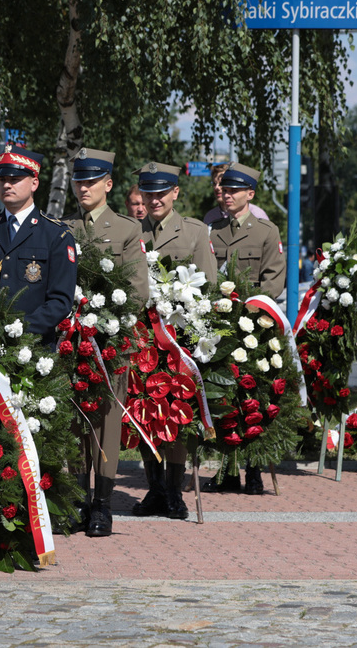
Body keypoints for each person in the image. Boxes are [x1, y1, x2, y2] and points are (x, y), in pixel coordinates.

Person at [61, 148, 148, 537]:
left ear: (108, 185)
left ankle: (102, 505)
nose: (83, 187)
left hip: (110, 344)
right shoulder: (63, 227)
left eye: (91, 181)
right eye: (79, 180)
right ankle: (79, 498)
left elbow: (137, 290)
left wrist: (104, 320)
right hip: (72, 342)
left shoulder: (127, 229)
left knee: (108, 424)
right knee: (76, 422)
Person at [132, 161, 216, 520]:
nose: (155, 199)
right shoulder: (131, 231)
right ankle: (154, 489)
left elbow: (207, 286)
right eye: (149, 192)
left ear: (175, 193)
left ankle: (174, 492)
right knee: (142, 414)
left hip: (177, 340)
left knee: (176, 415)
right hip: (140, 340)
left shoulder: (194, 232)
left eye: (161, 192)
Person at [206, 163, 285, 494]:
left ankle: (254, 469)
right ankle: (227, 469)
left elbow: (274, 280)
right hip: (222, 326)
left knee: (254, 397)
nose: (226, 195)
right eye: (224, 190)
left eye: (234, 191)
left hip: (255, 326)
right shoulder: (212, 231)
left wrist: (249, 311)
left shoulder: (267, 231)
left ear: (250, 194)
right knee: (223, 397)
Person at [0, 145, 77, 348]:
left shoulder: (55, 234)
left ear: (34, 183)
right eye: (2, 179)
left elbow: (60, 301)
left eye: (14, 180)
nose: (7, 185)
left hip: (33, 349)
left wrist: (18, 331)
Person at [203, 162, 269, 225]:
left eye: (221, 183)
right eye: (214, 184)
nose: (216, 187)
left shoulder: (257, 214)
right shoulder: (210, 217)